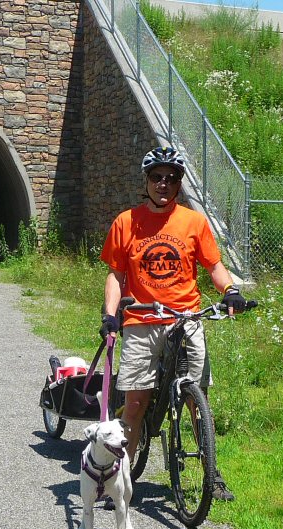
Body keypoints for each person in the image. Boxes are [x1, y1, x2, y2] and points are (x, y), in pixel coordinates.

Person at [99, 146, 247, 502]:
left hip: (186, 317)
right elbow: (116, 275)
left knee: (198, 399)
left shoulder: (194, 222)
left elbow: (214, 266)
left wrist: (230, 290)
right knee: (135, 402)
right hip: (142, 318)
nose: (163, 184)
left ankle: (212, 474)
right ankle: (120, 480)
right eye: (156, 177)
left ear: (179, 183)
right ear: (146, 181)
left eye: (172, 178)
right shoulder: (126, 222)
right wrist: (110, 315)